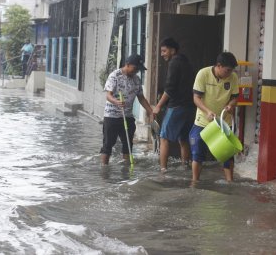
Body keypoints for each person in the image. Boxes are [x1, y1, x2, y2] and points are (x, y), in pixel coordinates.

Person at [189, 52, 239, 182]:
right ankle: (195, 182)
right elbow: (196, 98)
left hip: (224, 122)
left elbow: (235, 98)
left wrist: (230, 105)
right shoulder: (203, 74)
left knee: (228, 154)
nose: (230, 73)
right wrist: (207, 111)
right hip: (203, 120)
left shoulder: (233, 77)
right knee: (197, 153)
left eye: (232, 70)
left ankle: (230, 183)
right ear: (219, 66)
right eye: (227, 70)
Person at [100, 54, 153, 165]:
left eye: (138, 69)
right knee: (108, 144)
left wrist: (150, 111)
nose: (136, 71)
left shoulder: (137, 80)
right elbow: (108, 95)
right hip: (112, 116)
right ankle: (104, 169)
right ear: (127, 65)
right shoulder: (114, 76)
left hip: (128, 116)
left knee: (128, 143)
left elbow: (141, 98)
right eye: (135, 68)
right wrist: (116, 102)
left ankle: (126, 168)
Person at [153, 37, 196, 172]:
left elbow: (170, 89)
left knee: (164, 138)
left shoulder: (174, 63)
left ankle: (163, 170)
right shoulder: (187, 63)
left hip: (176, 106)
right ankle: (185, 166)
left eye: (164, 51)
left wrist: (158, 106)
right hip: (190, 108)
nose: (162, 54)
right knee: (183, 139)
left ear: (172, 50)